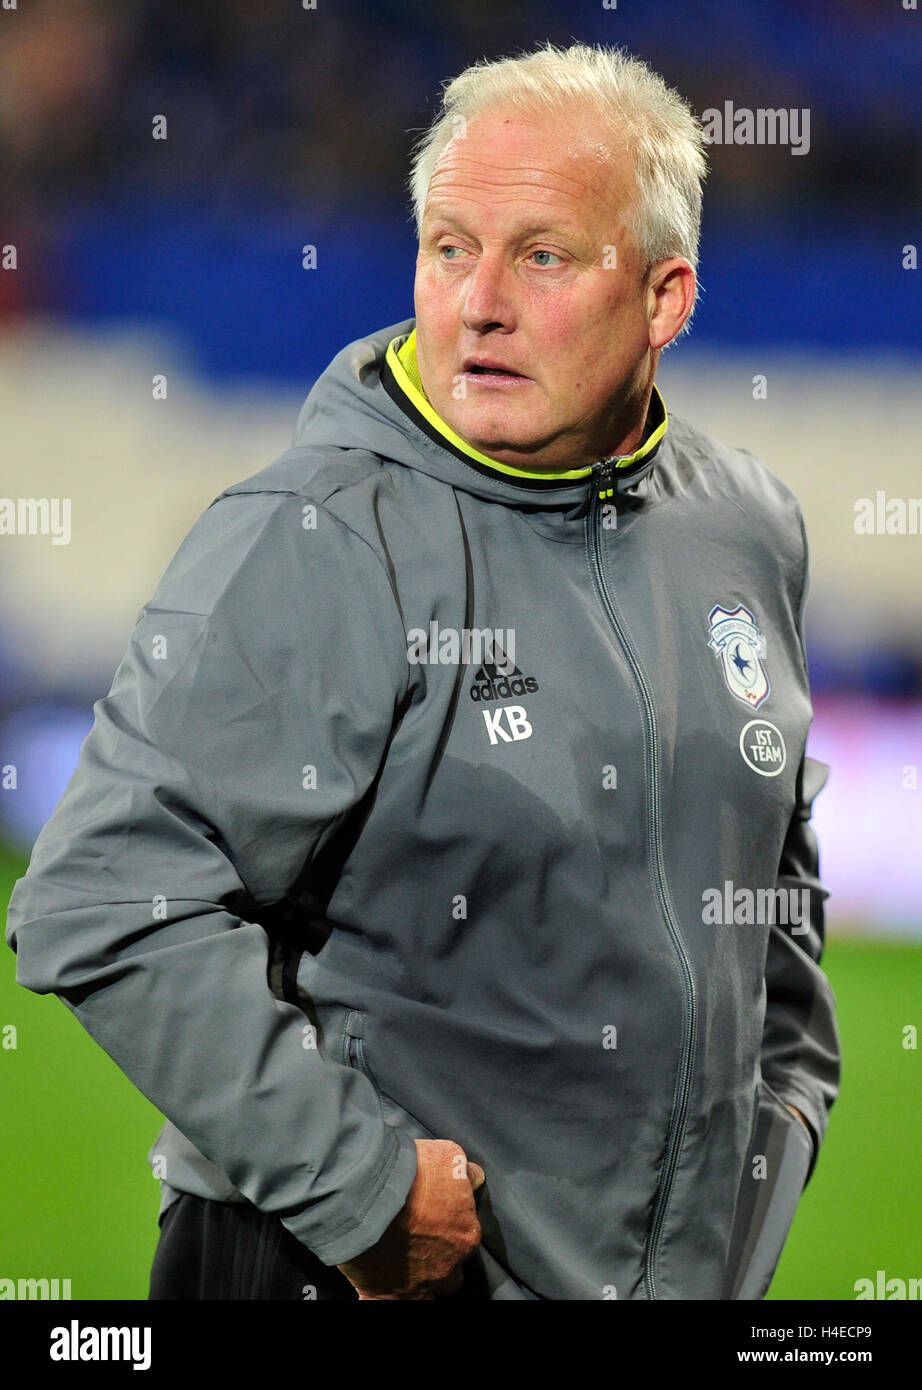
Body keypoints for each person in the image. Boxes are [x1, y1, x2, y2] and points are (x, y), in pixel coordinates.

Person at [5, 41, 840, 1301]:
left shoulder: (745, 527)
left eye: (541, 255)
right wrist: (359, 1187)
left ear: (666, 298)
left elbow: (772, 891)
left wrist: (772, 1139)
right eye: (450, 247)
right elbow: (102, 896)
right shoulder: (319, 536)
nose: (477, 302)